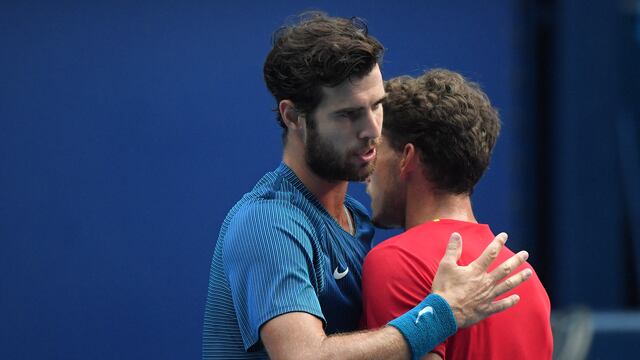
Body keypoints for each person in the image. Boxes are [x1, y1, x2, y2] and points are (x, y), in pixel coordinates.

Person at [203, 13, 532, 360]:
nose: (372, 129)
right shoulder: (268, 221)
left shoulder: (360, 221)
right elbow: (302, 356)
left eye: (377, 106)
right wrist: (442, 314)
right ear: (293, 117)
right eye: (348, 114)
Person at [362, 70, 553, 359]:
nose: (367, 172)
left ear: (407, 158)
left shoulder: (396, 261)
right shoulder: (529, 283)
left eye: (377, 148)